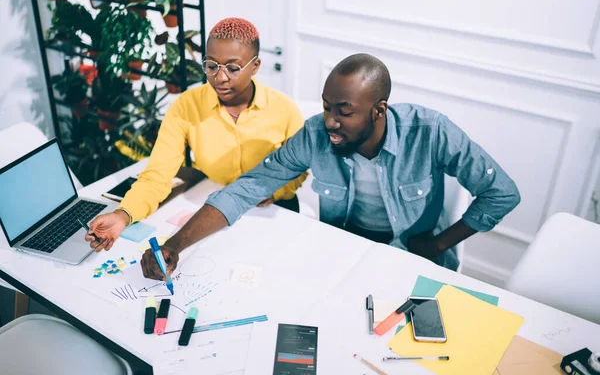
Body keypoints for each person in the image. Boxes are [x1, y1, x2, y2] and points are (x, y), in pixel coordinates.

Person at [140, 53, 521, 279]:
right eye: (326, 107)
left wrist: (438, 244)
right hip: (344, 252)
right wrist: (174, 246)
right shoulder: (315, 135)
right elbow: (248, 187)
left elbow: (502, 193)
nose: (331, 122)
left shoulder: (431, 131)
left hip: (413, 258)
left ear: (379, 110)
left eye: (345, 112)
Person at [85, 18, 307, 252]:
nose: (220, 78)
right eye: (212, 66)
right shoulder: (186, 106)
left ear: (255, 66)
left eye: (233, 68)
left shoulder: (284, 109)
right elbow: (158, 175)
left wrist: (272, 190)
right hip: (214, 210)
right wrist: (123, 215)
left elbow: (300, 170)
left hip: (273, 209)